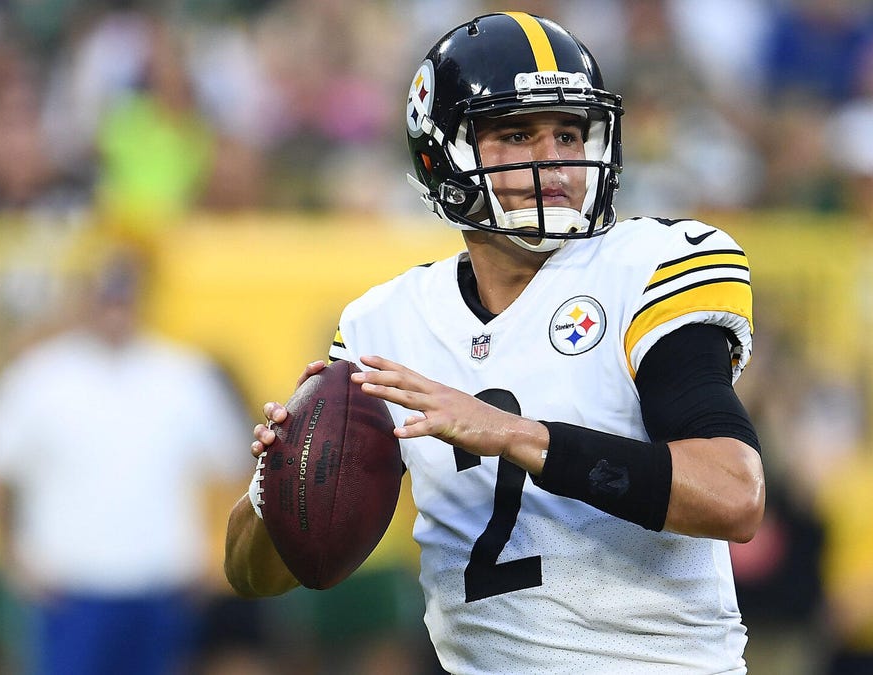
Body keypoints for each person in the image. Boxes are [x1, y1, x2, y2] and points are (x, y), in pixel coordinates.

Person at [225, 11, 765, 674]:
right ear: (441, 152)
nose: (557, 159)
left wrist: (515, 433)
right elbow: (255, 574)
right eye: (516, 134)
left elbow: (735, 495)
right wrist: (279, 482)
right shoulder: (384, 324)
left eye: (569, 132)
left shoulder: (649, 269)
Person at [0, 238, 252, 675]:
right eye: (106, 297)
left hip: (161, 584)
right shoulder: (40, 376)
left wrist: (216, 554)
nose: (115, 310)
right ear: (87, 299)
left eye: (124, 297)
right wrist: (12, 558)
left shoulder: (183, 375)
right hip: (69, 588)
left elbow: (236, 467)